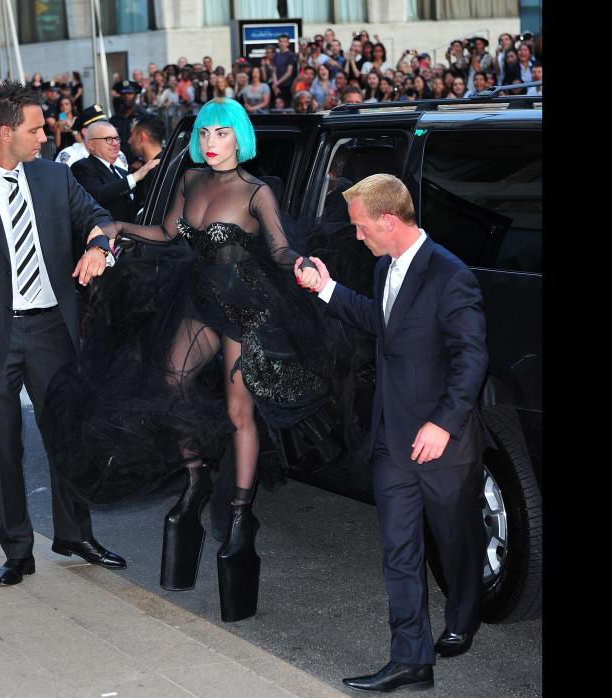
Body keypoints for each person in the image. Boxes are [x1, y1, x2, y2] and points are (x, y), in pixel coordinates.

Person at [40, 98, 334, 624]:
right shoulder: (192, 179)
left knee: (241, 411)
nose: (210, 141)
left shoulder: (256, 191)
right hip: (198, 298)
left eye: (221, 133)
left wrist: (304, 264)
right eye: (204, 132)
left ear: (239, 137)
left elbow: (282, 248)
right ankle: (196, 475)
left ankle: (241, 515)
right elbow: (169, 234)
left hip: (245, 305)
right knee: (171, 384)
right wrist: (118, 229)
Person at [294, 173, 487, 693]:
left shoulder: (450, 276)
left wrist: (443, 424)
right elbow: (380, 324)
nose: (357, 237)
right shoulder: (385, 270)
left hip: (441, 443)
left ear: (388, 220)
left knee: (457, 540)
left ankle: (464, 615)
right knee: (399, 550)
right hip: (391, 439)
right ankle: (411, 660)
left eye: (361, 228)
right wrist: (327, 287)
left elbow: (472, 358)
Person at [0, 80, 127, 587]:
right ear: (4, 132)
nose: (46, 135)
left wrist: (98, 247)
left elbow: (100, 218)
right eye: (36, 128)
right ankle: (17, 550)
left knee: (66, 435)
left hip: (51, 332)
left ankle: (74, 534)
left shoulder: (53, 178)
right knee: (2, 447)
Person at [70, 120, 159, 224]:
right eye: (108, 139)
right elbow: (98, 195)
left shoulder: (121, 171)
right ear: (91, 145)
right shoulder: (81, 167)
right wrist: (136, 176)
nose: (115, 143)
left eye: (117, 139)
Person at [56, 103, 128, 170]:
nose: (106, 128)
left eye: (105, 124)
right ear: (85, 132)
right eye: (100, 126)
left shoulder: (117, 154)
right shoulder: (69, 155)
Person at [127, 114, 166, 213]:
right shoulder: (168, 162)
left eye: (132, 135)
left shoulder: (156, 171)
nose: (129, 140)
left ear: (142, 137)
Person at [110, 80, 150, 166]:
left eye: (130, 93)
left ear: (136, 95)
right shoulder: (114, 119)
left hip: (139, 165)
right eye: (124, 94)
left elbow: (150, 141)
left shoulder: (145, 116)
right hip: (118, 163)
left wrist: (140, 160)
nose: (127, 96)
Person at [271, 34, 298, 107]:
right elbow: (274, 71)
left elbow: (289, 73)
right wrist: (275, 85)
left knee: (287, 107)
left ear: (288, 43)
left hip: (287, 86)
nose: (282, 43)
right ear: (278, 43)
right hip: (276, 86)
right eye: (280, 41)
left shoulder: (291, 55)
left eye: (284, 41)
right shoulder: (276, 55)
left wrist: (276, 83)